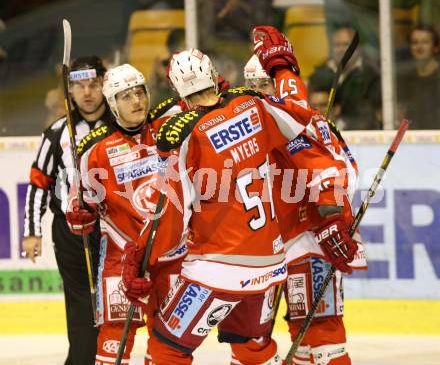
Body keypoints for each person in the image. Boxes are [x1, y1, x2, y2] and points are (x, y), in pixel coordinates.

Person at [121, 26, 358, 365]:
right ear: (217, 78)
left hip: (217, 270)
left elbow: (170, 215)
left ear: (177, 93)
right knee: (253, 349)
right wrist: (282, 66)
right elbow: (303, 121)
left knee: (167, 350)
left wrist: (139, 257)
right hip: (270, 267)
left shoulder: (187, 135)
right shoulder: (254, 105)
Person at [244, 54, 367, 364]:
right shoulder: (254, 127)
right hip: (275, 243)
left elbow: (342, 170)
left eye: (264, 85)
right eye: (251, 86)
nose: (258, 93)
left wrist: (333, 218)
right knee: (298, 327)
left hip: (312, 237)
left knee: (321, 328)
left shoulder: (301, 124)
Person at [65, 63, 187, 365]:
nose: (137, 101)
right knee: (115, 337)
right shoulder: (95, 148)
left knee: (169, 340)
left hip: (169, 254)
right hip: (121, 255)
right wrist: (80, 215)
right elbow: (81, 211)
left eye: (140, 93)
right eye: (126, 96)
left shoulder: (166, 130)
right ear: (112, 103)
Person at [22, 55, 112, 365]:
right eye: (79, 86)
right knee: (81, 306)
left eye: (94, 84)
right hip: (71, 234)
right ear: (69, 90)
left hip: (116, 233)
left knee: (114, 305)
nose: (87, 92)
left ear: (104, 84)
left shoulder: (120, 125)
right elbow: (38, 183)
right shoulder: (57, 132)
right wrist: (31, 231)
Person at [308, 25, 381, 130]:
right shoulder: (319, 74)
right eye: (337, 45)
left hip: (361, 132)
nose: (341, 49)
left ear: (358, 48)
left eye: (346, 44)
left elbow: (375, 110)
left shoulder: (371, 74)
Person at [397, 24, 440, 129]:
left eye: (425, 42)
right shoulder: (403, 77)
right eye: (415, 42)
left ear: (436, 47)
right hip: (411, 140)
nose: (419, 47)